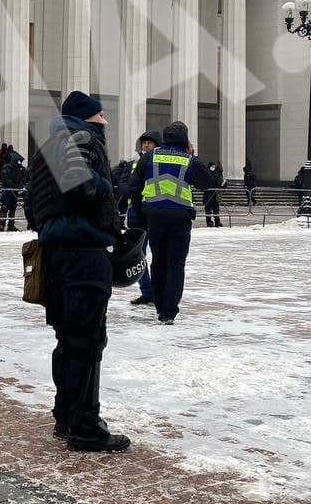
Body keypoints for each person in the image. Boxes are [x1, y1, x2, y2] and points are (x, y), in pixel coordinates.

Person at [24, 90, 127, 452]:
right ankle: (85, 425)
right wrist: (104, 190)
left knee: (69, 338)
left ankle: (65, 416)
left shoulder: (45, 147)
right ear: (89, 118)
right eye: (102, 116)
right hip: (83, 253)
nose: (106, 123)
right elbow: (80, 182)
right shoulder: (81, 138)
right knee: (87, 341)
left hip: (55, 253)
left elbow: (30, 204)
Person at [127, 121, 212, 327]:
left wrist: (142, 210)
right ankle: (169, 311)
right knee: (176, 264)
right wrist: (193, 155)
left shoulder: (149, 157)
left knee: (158, 261)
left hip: (154, 216)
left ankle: (159, 306)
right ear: (185, 141)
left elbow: (134, 186)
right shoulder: (188, 160)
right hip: (179, 217)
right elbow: (208, 182)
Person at [127, 131, 161, 308]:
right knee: (138, 256)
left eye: (150, 143)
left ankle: (153, 291)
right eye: (144, 143)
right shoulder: (136, 162)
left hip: (150, 213)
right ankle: (148, 291)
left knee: (156, 255)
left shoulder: (156, 163)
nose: (146, 145)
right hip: (135, 215)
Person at [0, 145, 26, 232]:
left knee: (13, 207)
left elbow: (22, 178)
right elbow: (5, 179)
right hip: (7, 190)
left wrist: (20, 186)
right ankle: (2, 224)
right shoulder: (7, 167)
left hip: (15, 190)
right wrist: (14, 185)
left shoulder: (19, 169)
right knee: (5, 207)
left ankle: (11, 225)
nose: (20, 163)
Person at [203, 162, 224, 227]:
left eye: (214, 166)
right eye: (212, 166)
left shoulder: (216, 174)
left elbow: (219, 182)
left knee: (216, 209)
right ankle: (209, 222)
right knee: (208, 209)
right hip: (208, 194)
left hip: (214, 194)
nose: (213, 168)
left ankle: (217, 222)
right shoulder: (206, 174)